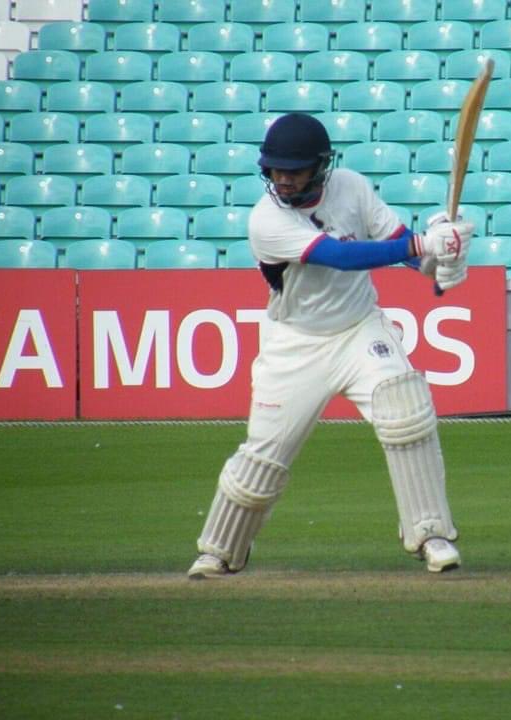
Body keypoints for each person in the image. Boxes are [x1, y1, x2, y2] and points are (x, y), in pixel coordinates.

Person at [188, 113, 473, 579]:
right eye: (276, 170)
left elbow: (398, 244)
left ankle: (430, 533)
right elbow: (339, 257)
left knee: (406, 411)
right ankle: (219, 549)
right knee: (264, 455)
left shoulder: (352, 187)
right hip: (295, 343)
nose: (283, 179)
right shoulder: (266, 220)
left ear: (320, 167)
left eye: (294, 170)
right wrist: (425, 243)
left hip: (360, 328)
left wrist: (440, 260)